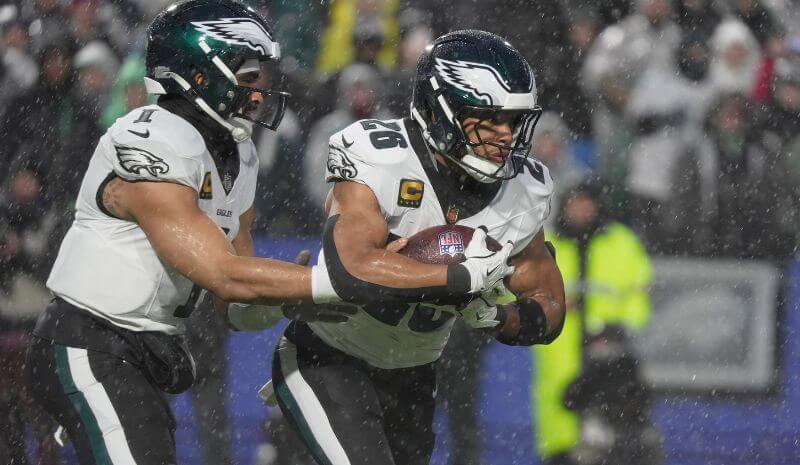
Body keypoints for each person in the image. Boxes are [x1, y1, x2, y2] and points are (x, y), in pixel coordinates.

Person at [23, 3, 511, 464]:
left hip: (144, 351)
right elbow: (224, 275)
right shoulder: (149, 136)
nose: (261, 90)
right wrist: (353, 276)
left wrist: (288, 300)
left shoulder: (240, 154)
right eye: (249, 76)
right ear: (199, 74)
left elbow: (234, 309)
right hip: (86, 341)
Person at [263, 30, 566, 465]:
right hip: (328, 358)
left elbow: (550, 304)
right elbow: (351, 268)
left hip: (412, 373)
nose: (505, 136)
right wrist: (460, 278)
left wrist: (501, 317)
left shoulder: (523, 189)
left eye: (514, 122)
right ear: (441, 112)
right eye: (490, 118)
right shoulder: (377, 156)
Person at [532, 180, 654, 465]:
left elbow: (639, 292)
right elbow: (527, 294)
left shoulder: (621, 242)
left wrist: (619, 327)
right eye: (575, 202)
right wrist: (556, 308)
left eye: (587, 202)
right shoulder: (546, 244)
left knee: (614, 427)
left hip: (609, 351)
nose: (581, 209)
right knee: (559, 418)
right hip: (560, 349)